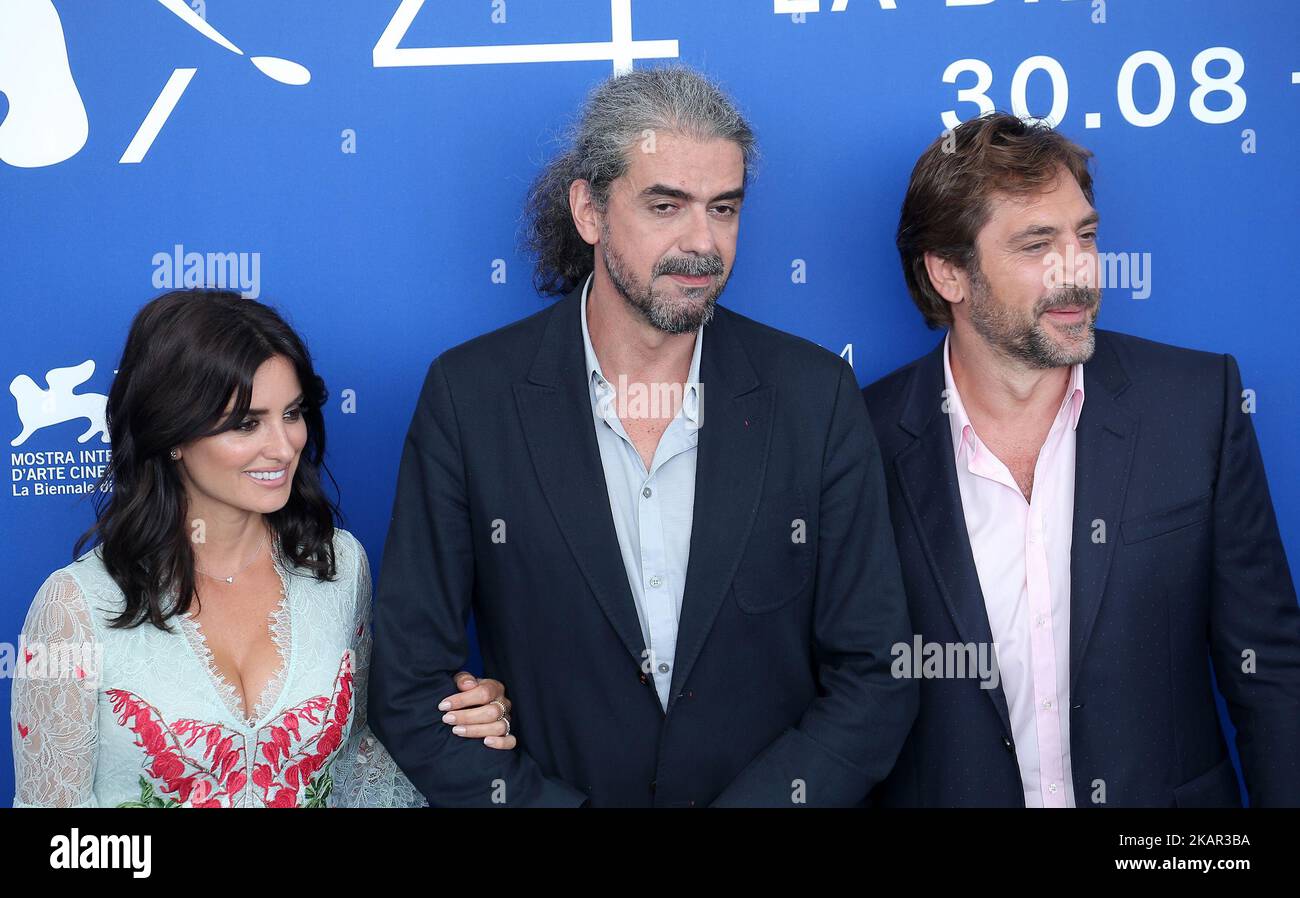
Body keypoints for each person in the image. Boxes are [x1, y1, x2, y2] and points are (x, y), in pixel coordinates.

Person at [368, 65, 917, 808]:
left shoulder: (814, 396)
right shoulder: (470, 399)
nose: (703, 243)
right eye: (666, 205)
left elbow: (879, 675)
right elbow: (408, 691)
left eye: (724, 208)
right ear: (589, 211)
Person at [863, 112, 1300, 807]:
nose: (1079, 271)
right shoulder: (861, 440)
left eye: (1085, 236)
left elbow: (1272, 676)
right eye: (1038, 244)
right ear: (949, 273)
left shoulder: (1195, 408)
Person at [9, 289, 514, 807]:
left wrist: (454, 717)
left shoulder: (338, 567)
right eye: (247, 423)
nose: (283, 446)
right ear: (171, 434)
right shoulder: (73, 608)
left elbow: (360, 762)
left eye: (292, 414)